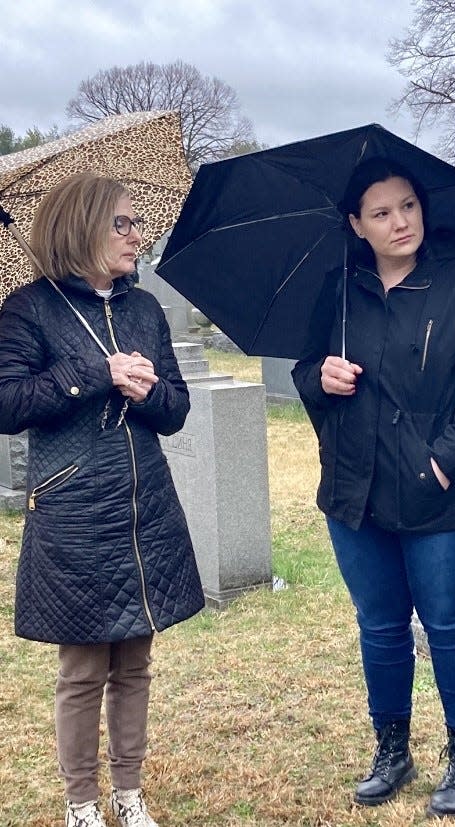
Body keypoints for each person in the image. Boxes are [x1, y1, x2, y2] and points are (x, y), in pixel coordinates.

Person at [291, 157, 455, 817]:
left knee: (448, 623)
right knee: (380, 626)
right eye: (382, 212)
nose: (400, 222)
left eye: (408, 205)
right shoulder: (338, 289)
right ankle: (392, 748)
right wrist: (318, 379)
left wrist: (442, 461)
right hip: (355, 494)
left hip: (447, 496)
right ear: (357, 224)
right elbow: (307, 370)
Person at [0, 172, 205, 827]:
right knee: (84, 665)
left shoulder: (144, 308)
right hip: (75, 511)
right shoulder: (28, 309)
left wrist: (149, 392)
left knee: (136, 661)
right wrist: (96, 373)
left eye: (138, 222)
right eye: (124, 223)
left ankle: (129, 790)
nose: (138, 235)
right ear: (82, 226)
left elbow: (175, 409)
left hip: (144, 507)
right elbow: (8, 404)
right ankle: (82, 801)